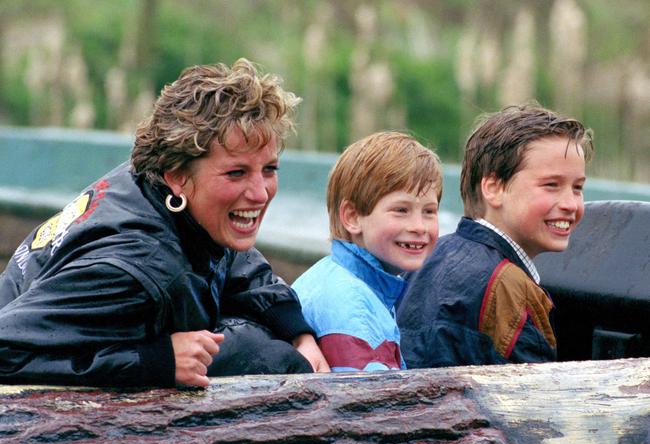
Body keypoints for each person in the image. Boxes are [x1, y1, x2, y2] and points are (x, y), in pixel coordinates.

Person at [0, 58, 329, 388]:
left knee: (269, 342)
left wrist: (296, 329)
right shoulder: (136, 270)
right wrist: (155, 360)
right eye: (236, 173)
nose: (260, 193)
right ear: (178, 178)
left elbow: (232, 257)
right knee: (269, 358)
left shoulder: (155, 186)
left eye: (270, 169)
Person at [397, 103, 593, 368]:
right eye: (551, 185)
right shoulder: (511, 288)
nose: (571, 204)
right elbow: (534, 400)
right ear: (493, 188)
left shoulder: (429, 256)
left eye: (577, 188)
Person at [292, 131, 443, 372]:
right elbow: (370, 404)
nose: (418, 226)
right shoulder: (353, 309)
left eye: (429, 211)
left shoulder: (341, 277)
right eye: (401, 210)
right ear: (352, 217)